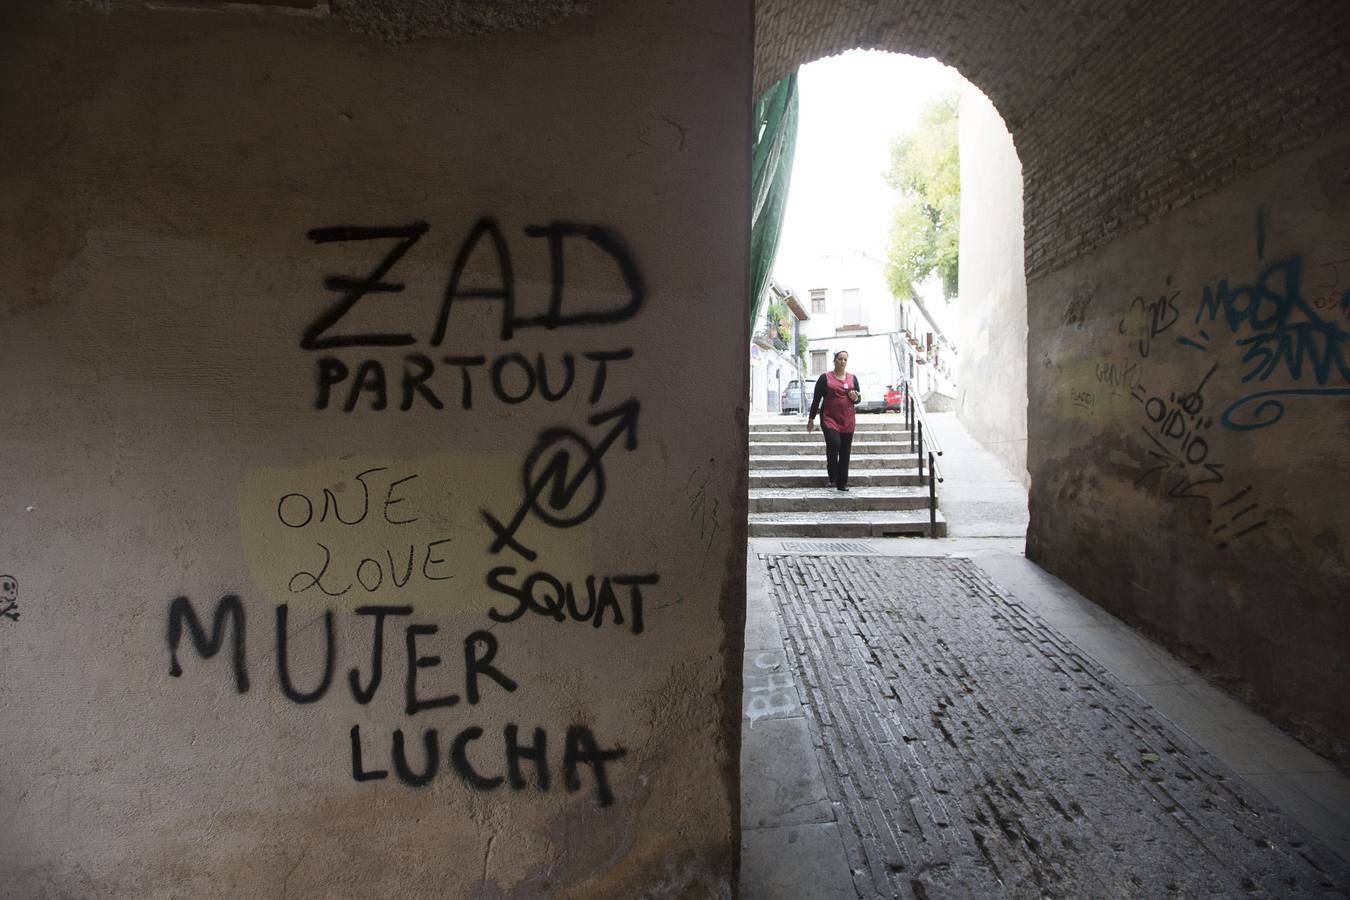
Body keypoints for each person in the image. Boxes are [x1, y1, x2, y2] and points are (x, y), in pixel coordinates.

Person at [806, 350, 860, 491]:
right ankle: (832, 477)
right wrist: (811, 419)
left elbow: (858, 398)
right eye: (840, 359)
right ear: (834, 360)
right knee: (834, 444)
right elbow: (816, 400)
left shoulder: (852, 378)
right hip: (829, 418)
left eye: (845, 359)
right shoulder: (825, 378)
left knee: (845, 452)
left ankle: (842, 483)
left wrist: (856, 397)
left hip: (847, 419)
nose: (842, 362)